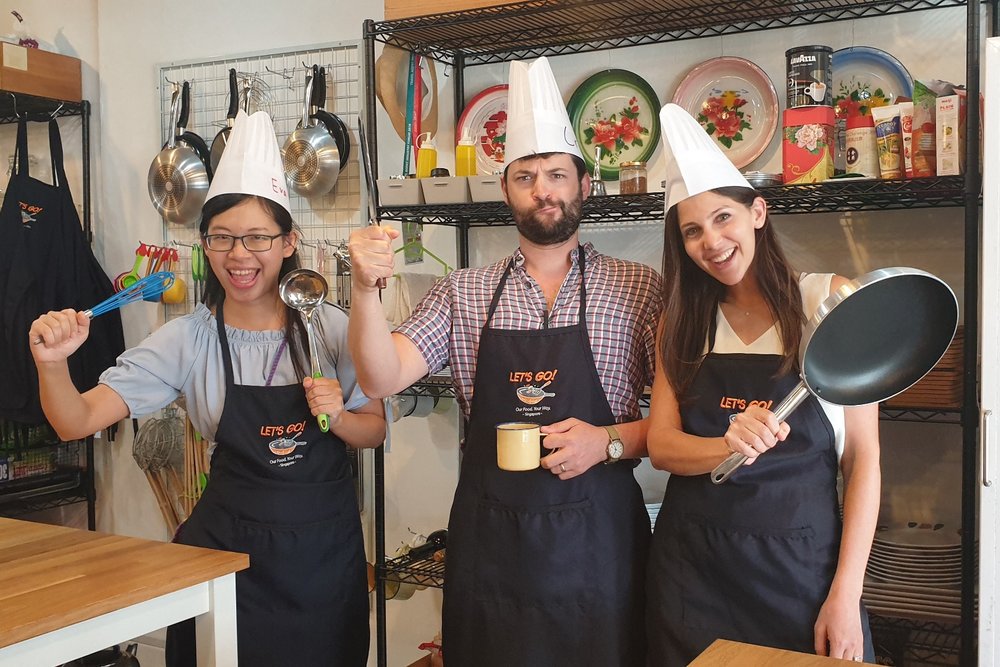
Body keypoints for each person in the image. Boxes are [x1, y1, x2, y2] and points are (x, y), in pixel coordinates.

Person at [29, 110, 384, 667]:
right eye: (221, 238)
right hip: (224, 564)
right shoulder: (188, 339)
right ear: (204, 244)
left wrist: (338, 416)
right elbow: (73, 421)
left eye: (257, 238)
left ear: (289, 241)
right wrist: (52, 364)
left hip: (322, 563)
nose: (239, 255)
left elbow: (374, 431)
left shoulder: (333, 328)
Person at [348, 57, 661, 665]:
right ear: (505, 190)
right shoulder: (464, 292)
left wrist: (609, 441)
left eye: (557, 175)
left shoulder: (638, 287)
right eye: (526, 177)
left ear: (584, 185)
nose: (543, 189)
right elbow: (378, 377)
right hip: (495, 549)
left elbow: (681, 425)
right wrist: (364, 290)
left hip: (600, 548)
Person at [644, 103, 880, 664]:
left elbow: (864, 461)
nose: (712, 242)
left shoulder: (829, 301)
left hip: (801, 571)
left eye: (723, 217)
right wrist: (724, 445)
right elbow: (661, 446)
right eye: (693, 231)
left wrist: (847, 593)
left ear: (758, 213)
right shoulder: (680, 325)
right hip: (693, 573)